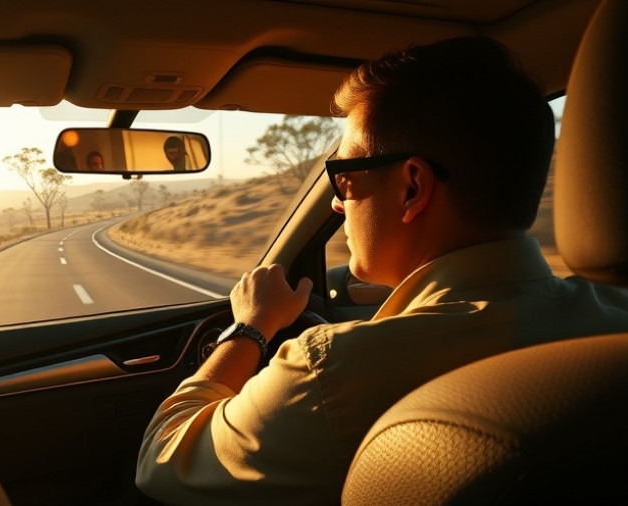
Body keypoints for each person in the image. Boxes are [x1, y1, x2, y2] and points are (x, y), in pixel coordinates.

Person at [135, 36, 628, 505]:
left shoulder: (332, 374)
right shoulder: (615, 320)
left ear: (412, 188)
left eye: (345, 176)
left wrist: (249, 329)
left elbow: (161, 461)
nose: (335, 199)